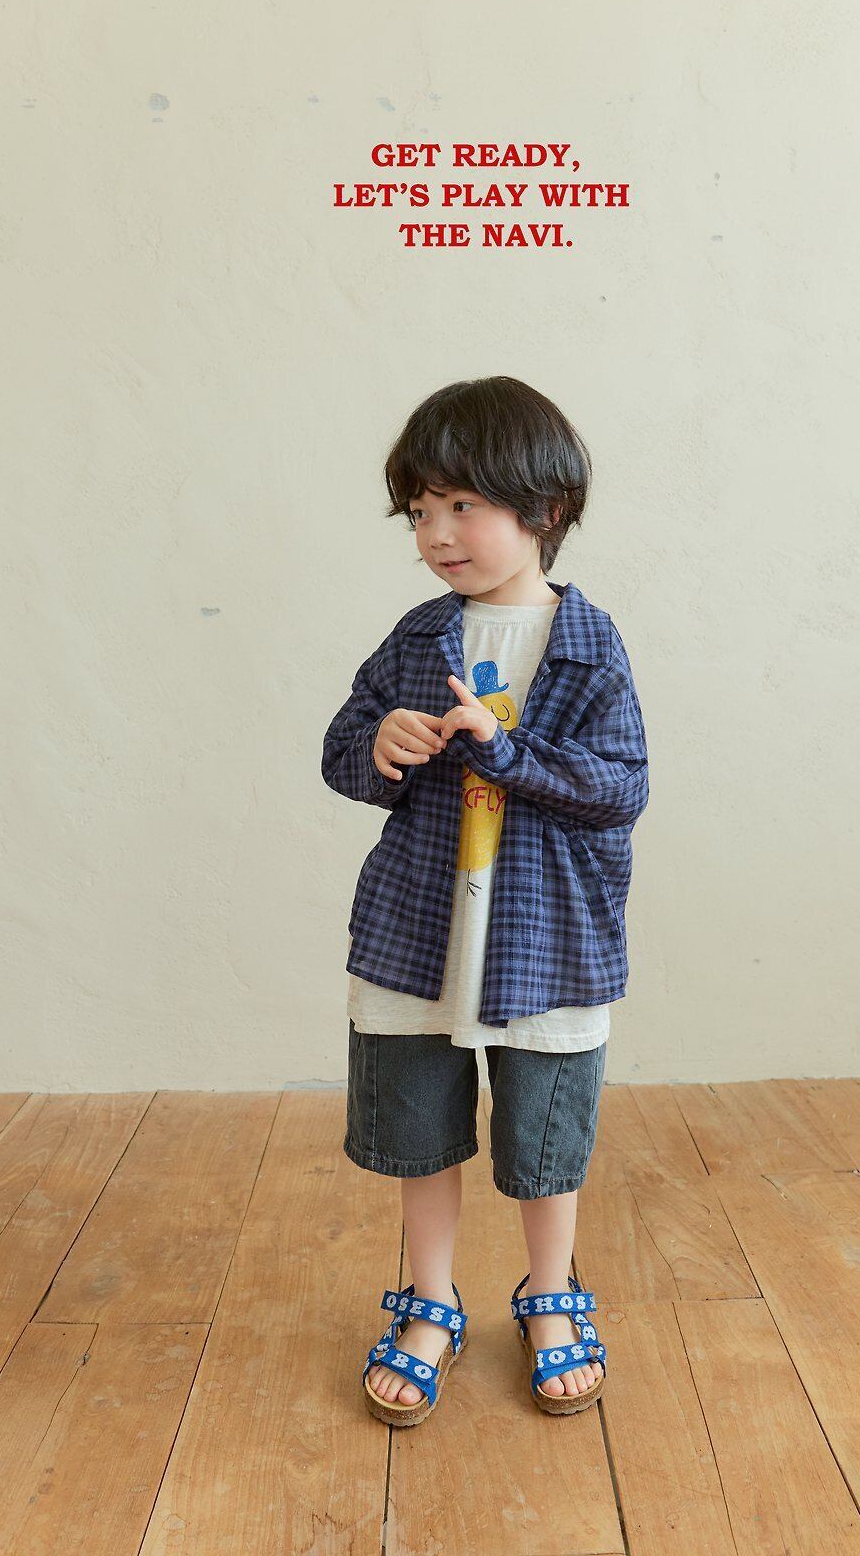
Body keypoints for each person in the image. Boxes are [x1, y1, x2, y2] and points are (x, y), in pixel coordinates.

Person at [322, 375, 649, 1422]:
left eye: (461, 504)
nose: (435, 533)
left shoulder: (588, 644)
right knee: (419, 1130)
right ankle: (430, 1300)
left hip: (545, 941)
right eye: (420, 511)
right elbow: (343, 752)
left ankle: (548, 1295)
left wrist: (505, 752)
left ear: (543, 508)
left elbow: (619, 786)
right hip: (420, 932)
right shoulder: (418, 638)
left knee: (544, 1138)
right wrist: (383, 743)